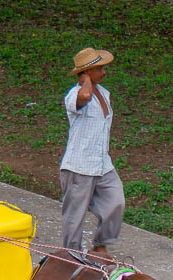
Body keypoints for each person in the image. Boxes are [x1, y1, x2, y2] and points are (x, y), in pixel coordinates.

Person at [60, 47, 124, 260]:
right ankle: (71, 257)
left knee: (116, 201)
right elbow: (84, 96)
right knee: (74, 217)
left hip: (102, 163)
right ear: (87, 72)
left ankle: (100, 246)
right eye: (99, 69)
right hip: (79, 166)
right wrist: (85, 80)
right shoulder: (74, 95)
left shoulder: (104, 94)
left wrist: (90, 79)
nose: (104, 72)